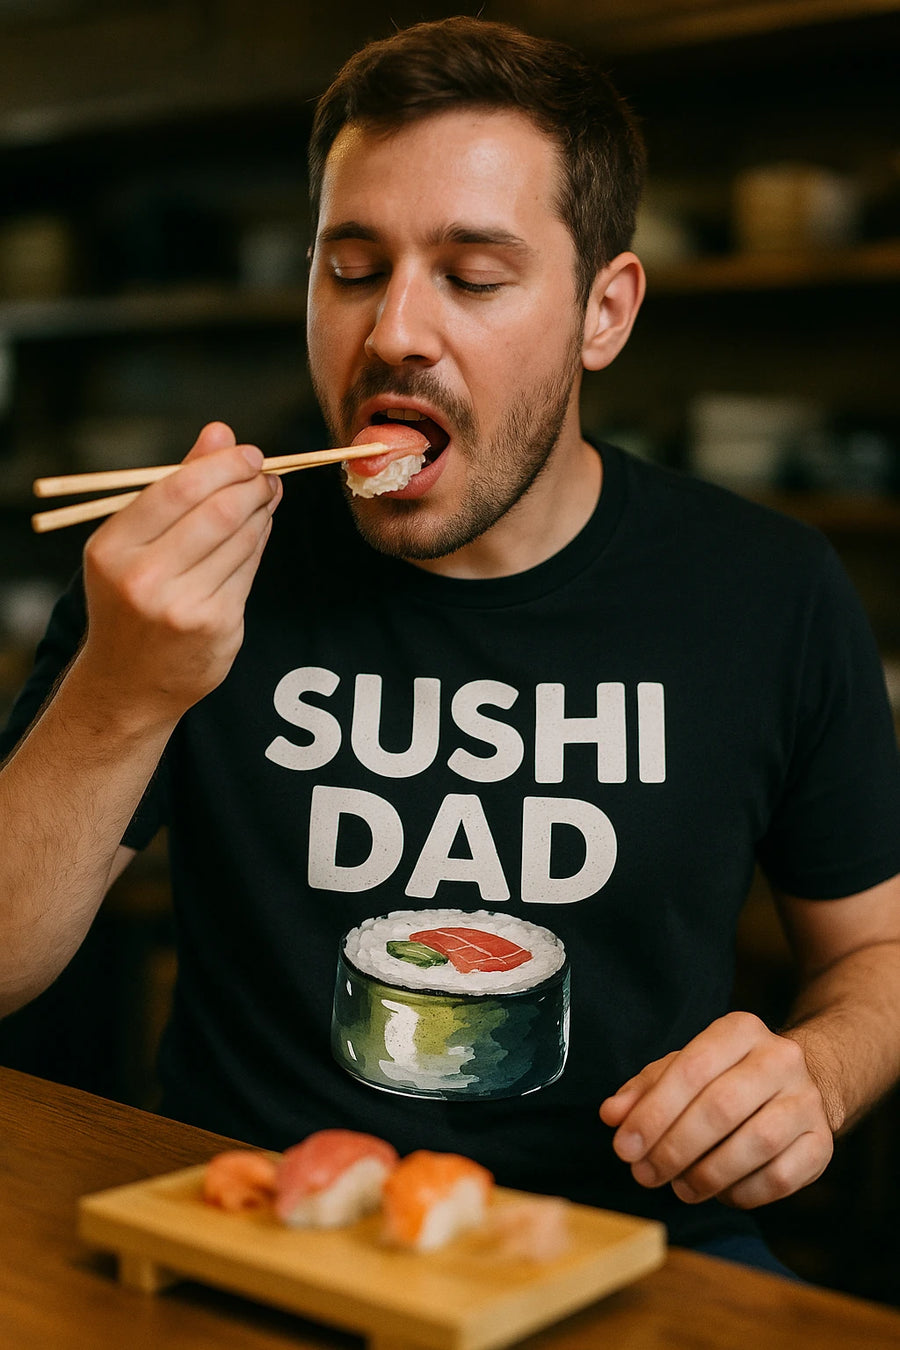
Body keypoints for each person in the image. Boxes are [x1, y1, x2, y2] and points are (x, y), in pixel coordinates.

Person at [2, 16, 900, 1275]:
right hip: (249, 1216)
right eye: (353, 267)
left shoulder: (771, 588)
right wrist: (124, 687)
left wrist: (818, 1072)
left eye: (474, 276)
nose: (395, 333)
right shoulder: (179, 576)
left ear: (605, 310)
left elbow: (877, 950)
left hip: (631, 1242)